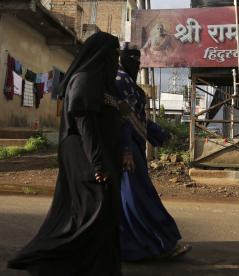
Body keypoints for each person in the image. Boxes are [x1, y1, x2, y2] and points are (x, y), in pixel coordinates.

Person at [7, 32, 122, 275]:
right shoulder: (85, 78)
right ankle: (53, 263)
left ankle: (96, 266)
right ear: (102, 54)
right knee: (95, 209)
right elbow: (85, 124)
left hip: (92, 153)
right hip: (83, 154)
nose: (117, 59)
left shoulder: (99, 80)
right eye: (115, 54)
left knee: (99, 211)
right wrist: (98, 164)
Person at [116, 42, 191, 262]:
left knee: (134, 198)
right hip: (126, 151)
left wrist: (157, 132)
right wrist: (126, 149)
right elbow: (121, 120)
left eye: (139, 60)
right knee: (138, 199)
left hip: (134, 147)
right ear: (121, 58)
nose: (137, 64)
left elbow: (137, 117)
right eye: (133, 59)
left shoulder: (127, 81)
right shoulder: (118, 82)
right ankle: (156, 245)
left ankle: (137, 247)